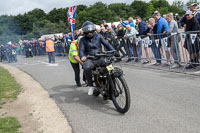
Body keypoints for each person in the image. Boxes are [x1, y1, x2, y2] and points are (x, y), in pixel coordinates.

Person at [79, 21, 115, 95]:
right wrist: (82, 56)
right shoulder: (82, 40)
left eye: (91, 31)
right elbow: (81, 50)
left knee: (110, 67)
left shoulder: (99, 36)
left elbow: (107, 44)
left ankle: (113, 82)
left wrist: (113, 51)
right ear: (84, 31)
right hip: (90, 58)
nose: (89, 32)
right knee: (86, 67)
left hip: (100, 57)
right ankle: (91, 86)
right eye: (87, 31)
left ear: (93, 30)